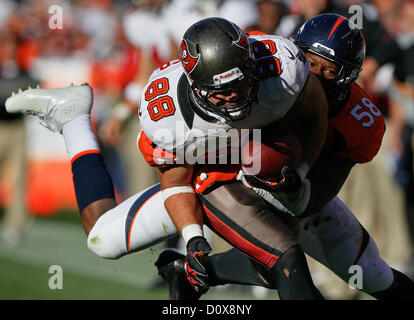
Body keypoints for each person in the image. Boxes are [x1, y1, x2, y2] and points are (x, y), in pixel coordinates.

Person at [6, 17, 329, 300]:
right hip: (201, 181)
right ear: (195, 88)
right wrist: (193, 239)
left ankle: (181, 271)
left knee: (290, 263)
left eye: (239, 83)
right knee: (101, 239)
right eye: (221, 90)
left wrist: (300, 169)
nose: (233, 96)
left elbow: (316, 115)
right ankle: (74, 120)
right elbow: (176, 184)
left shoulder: (282, 69)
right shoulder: (169, 115)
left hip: (256, 175)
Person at [155, 14, 414, 300]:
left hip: (300, 189)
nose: (313, 73)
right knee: (107, 238)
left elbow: (324, 188)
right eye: (309, 62)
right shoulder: (273, 70)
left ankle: (189, 271)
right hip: (228, 178)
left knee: (373, 276)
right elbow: (173, 174)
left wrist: (296, 185)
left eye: (327, 70)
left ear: (347, 76)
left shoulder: (360, 120)